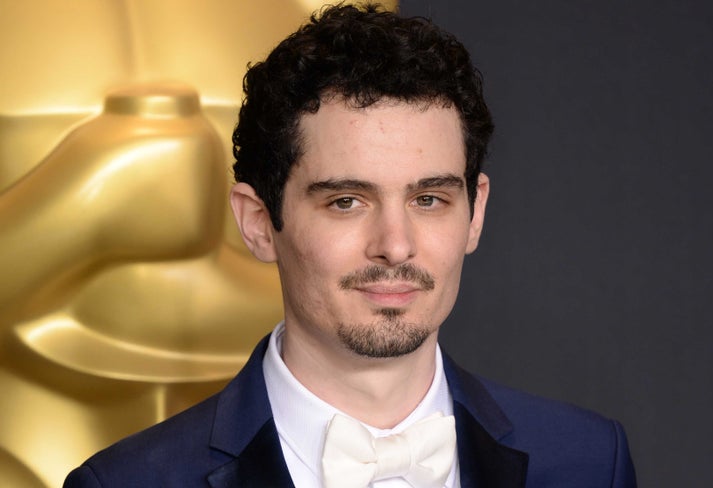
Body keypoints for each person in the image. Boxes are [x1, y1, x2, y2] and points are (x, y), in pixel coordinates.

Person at [63, 3, 636, 487]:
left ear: (475, 212)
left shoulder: (587, 462)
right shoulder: (126, 483)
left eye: (429, 199)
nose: (395, 245)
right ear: (259, 222)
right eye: (346, 202)